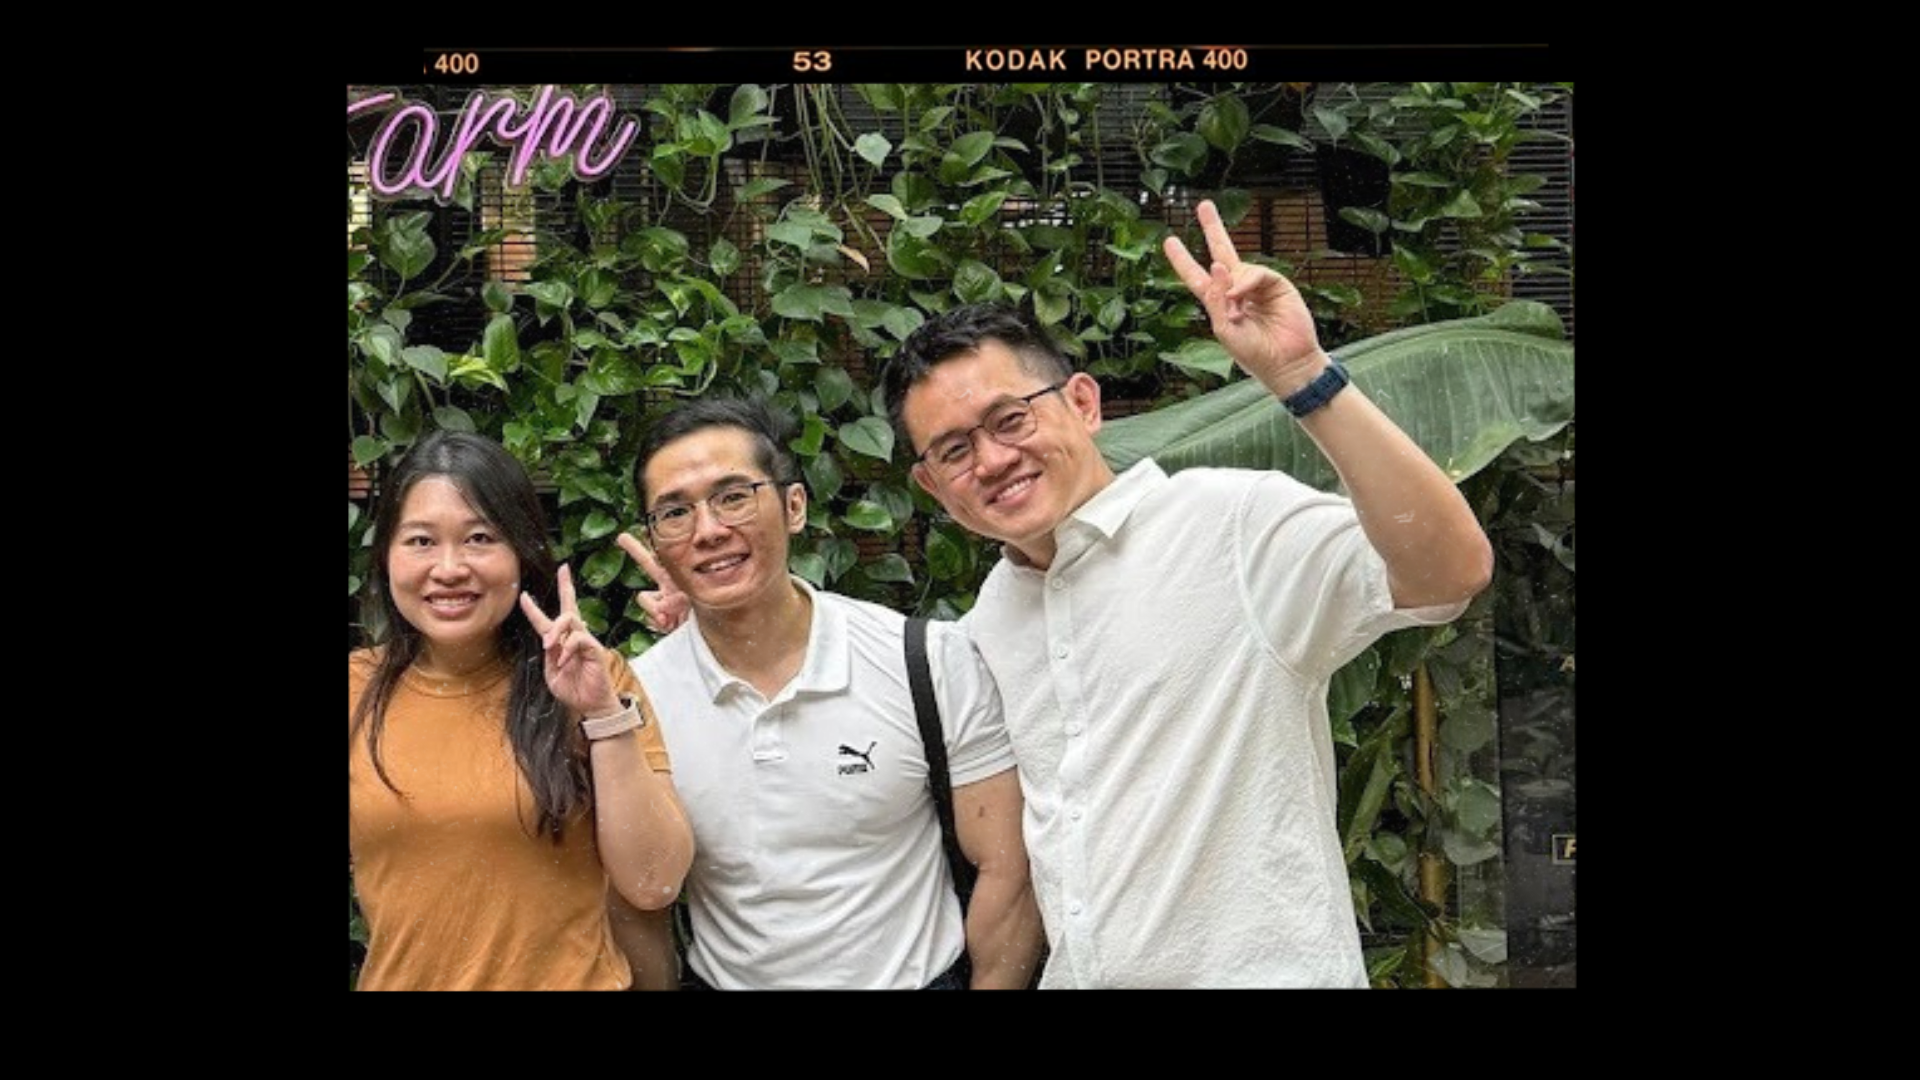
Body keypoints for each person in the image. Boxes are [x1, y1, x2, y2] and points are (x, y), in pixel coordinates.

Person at [878, 199, 1496, 988]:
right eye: (955, 450)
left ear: (1083, 403)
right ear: (932, 487)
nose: (992, 461)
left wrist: (1304, 377)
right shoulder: (989, 623)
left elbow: (1449, 571)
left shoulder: (1227, 523)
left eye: (1010, 420)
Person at [614, 396, 1044, 990]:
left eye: (733, 497)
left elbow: (1007, 866)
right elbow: (639, 896)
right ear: (655, 539)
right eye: (675, 512)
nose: (708, 531)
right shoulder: (636, 702)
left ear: (794, 506)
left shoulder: (922, 659)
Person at [348, 431, 695, 990]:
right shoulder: (357, 687)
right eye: (420, 541)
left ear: (522, 552)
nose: (449, 567)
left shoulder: (592, 678)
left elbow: (654, 881)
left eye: (479, 538)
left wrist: (602, 715)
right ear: (387, 555)